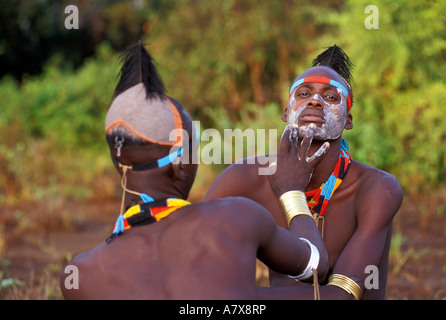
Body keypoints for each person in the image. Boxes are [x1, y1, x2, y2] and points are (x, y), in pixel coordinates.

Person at [60, 42, 329, 300]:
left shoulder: (82, 273)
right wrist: (293, 190)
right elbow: (315, 266)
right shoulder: (236, 217)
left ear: (117, 162)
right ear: (179, 165)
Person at [203, 45, 404, 300]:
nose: (315, 100)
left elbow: (339, 297)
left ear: (348, 120)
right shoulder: (244, 178)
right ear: (286, 113)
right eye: (304, 93)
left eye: (331, 97)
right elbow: (192, 249)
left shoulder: (377, 188)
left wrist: (291, 192)